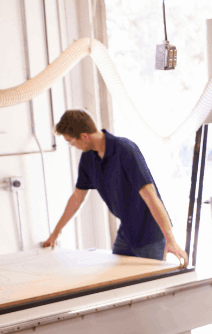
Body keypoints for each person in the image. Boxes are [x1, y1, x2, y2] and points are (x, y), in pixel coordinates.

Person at [43, 109, 187, 264]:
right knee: (117, 275)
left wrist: (170, 239)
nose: (73, 146)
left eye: (71, 142)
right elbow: (77, 198)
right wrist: (55, 233)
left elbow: (150, 195)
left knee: (151, 277)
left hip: (151, 234)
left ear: (84, 136)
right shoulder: (88, 158)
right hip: (127, 231)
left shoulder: (125, 149)